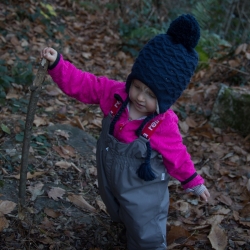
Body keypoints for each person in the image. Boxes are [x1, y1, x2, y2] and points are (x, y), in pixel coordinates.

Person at [41, 14, 210, 250]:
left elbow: (177, 155)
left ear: (166, 98)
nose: (140, 97)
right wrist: (58, 64)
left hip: (142, 186)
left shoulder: (164, 123)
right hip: (110, 174)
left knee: (145, 226)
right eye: (137, 87)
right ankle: (123, 223)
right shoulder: (117, 94)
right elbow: (84, 84)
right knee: (114, 203)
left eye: (151, 95)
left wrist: (194, 182)